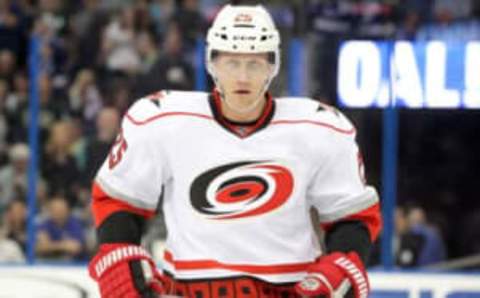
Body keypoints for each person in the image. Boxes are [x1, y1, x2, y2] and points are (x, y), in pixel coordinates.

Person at [88, 5, 382, 298]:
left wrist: (340, 266)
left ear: (272, 65)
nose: (242, 77)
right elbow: (119, 199)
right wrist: (121, 255)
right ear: (212, 63)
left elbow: (352, 216)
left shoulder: (319, 129)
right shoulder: (161, 120)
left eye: (254, 63)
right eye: (232, 62)